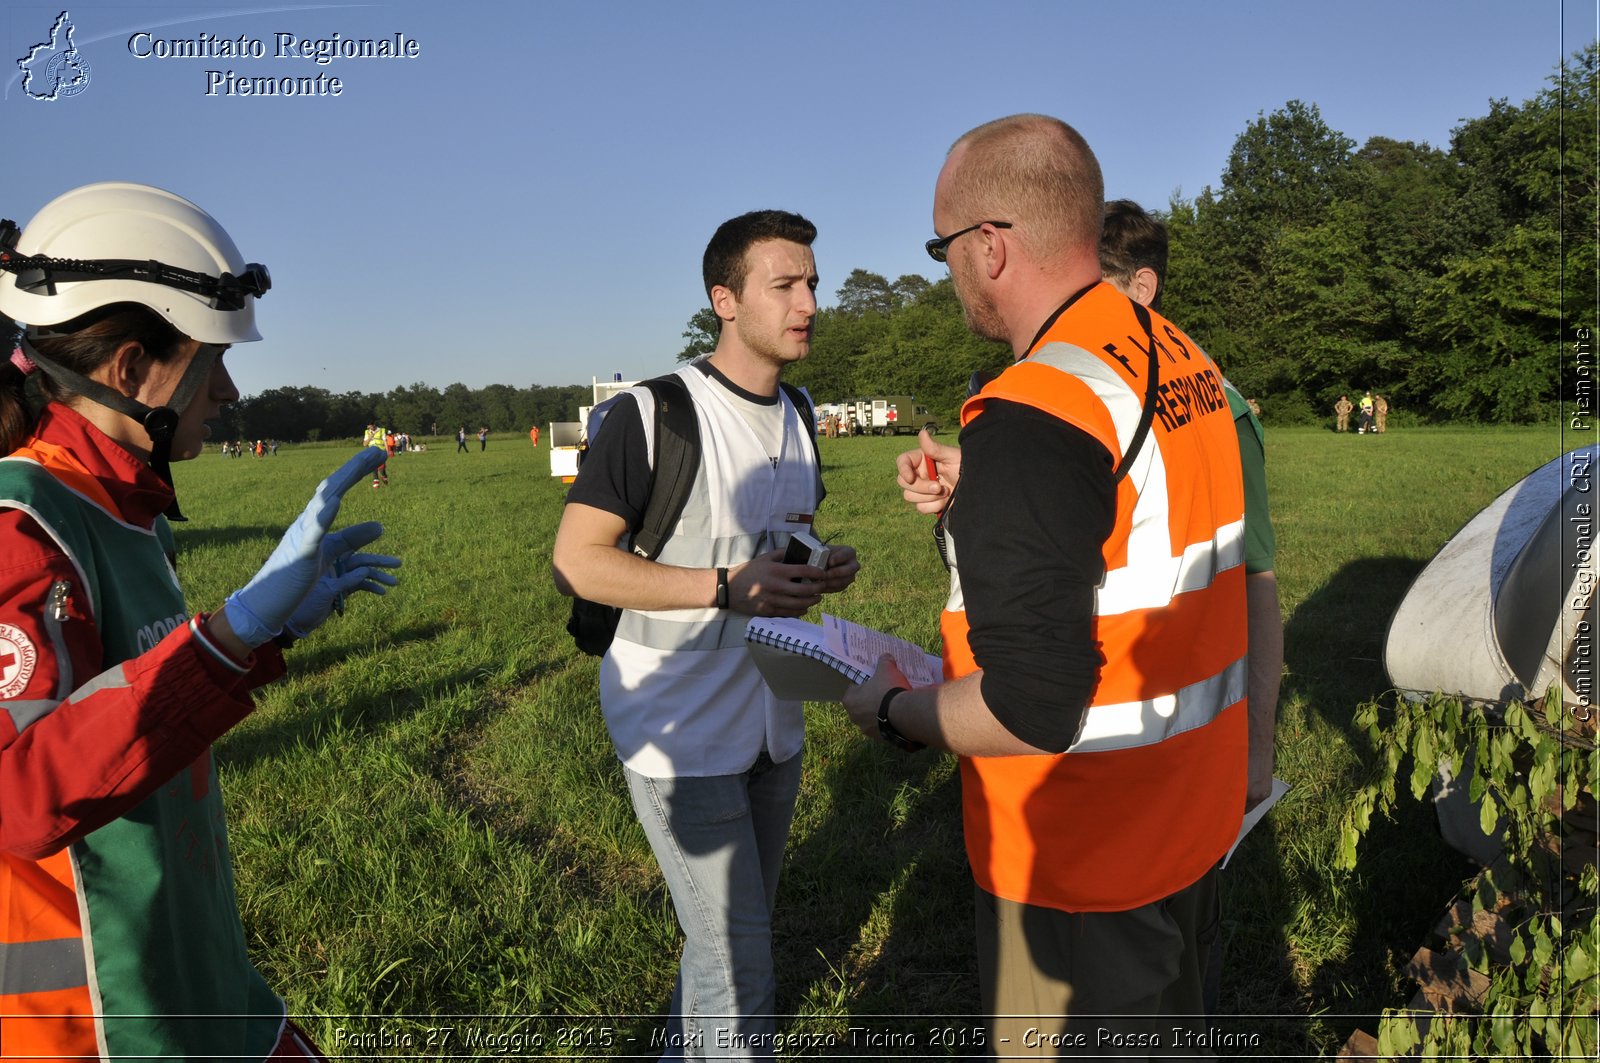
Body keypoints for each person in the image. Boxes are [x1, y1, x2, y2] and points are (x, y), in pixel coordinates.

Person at [841, 117, 1247, 1054]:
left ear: (988, 246)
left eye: (941, 247)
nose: (946, 270)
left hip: (1080, 860)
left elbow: (1032, 704)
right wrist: (970, 514)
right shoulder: (1176, 352)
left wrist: (896, 710)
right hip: (1189, 820)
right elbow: (1139, 539)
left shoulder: (1036, 408)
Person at [0, 182, 401, 1061]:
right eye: (212, 358)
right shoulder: (21, 521)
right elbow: (18, 793)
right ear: (133, 369)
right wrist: (227, 640)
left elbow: (128, 698)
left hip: (190, 973)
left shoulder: (121, 503)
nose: (227, 388)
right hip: (98, 1017)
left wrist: (266, 631)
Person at [552, 210, 859, 1058]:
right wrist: (728, 587)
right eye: (785, 285)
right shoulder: (655, 416)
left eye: (813, 283)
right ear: (724, 299)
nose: (809, 302)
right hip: (677, 728)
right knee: (740, 960)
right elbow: (577, 562)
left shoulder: (799, 412)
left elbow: (769, 545)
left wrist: (818, 565)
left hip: (772, 722)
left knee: (728, 937)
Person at [1100, 198, 1283, 1014]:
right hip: (1100, 744)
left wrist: (1258, 744)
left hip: (1189, 746)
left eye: (1092, 287)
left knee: (1183, 957)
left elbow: (1257, 583)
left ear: (1142, 287)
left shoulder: (1215, 402)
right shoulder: (1090, 389)